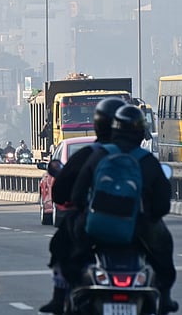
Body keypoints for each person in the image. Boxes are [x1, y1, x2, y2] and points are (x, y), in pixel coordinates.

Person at [68, 104, 178, 315]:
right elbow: (163, 204)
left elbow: (77, 196)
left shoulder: (99, 155)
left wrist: (89, 213)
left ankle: (72, 293)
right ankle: (165, 297)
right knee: (164, 247)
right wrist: (147, 217)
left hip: (96, 227)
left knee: (73, 250)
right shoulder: (148, 161)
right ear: (140, 132)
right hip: (138, 228)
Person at [39, 97, 124, 315]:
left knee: (60, 245)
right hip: (137, 223)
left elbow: (62, 193)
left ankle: (60, 296)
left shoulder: (89, 155)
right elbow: (161, 199)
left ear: (98, 124)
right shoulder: (143, 157)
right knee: (162, 247)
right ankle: (166, 296)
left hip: (94, 221)